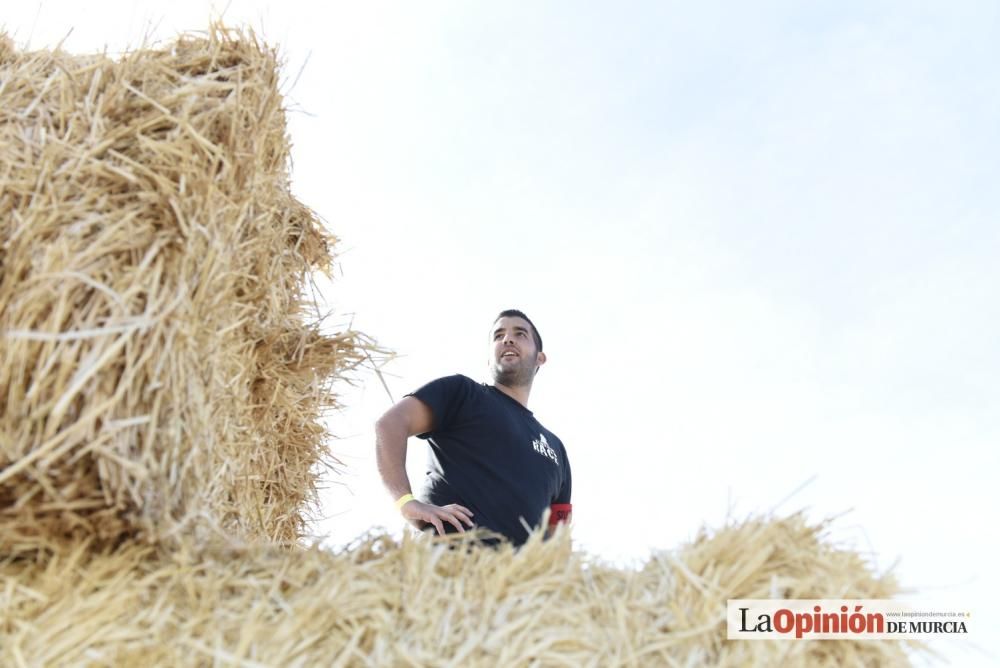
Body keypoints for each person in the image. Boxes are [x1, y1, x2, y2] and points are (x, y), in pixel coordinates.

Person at [374, 309, 572, 546]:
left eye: (520, 334)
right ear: (490, 358)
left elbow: (558, 538)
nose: (507, 339)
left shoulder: (555, 448)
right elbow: (390, 424)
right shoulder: (462, 393)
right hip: (446, 566)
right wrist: (406, 502)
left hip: (512, 580)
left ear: (540, 358)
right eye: (498, 336)